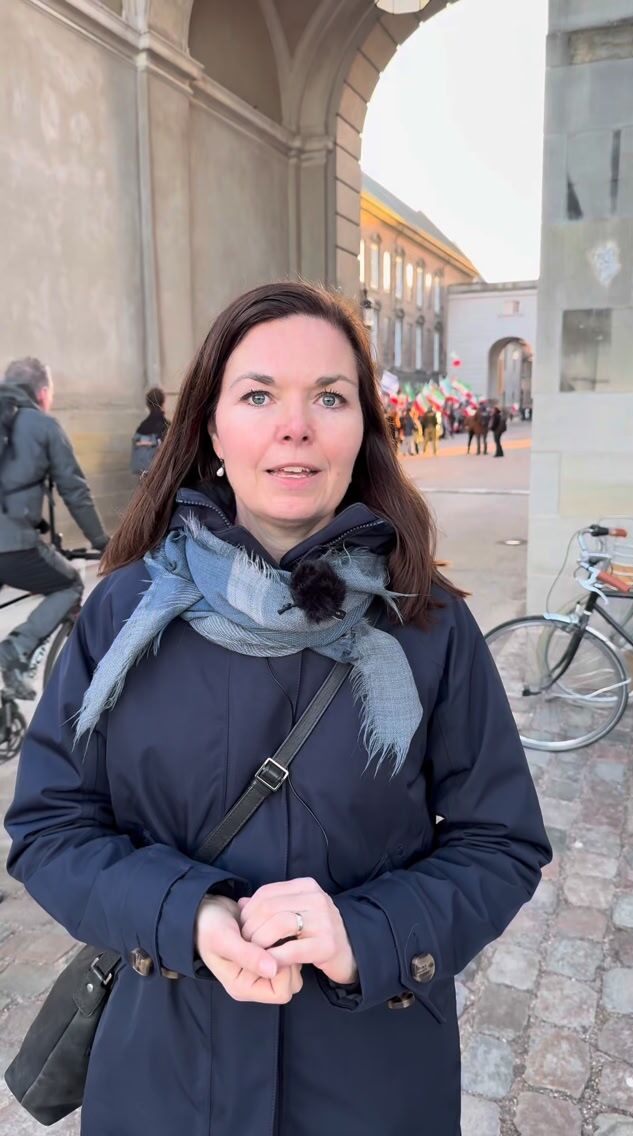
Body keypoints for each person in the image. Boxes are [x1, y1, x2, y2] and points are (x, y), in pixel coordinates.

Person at [5, 283, 550, 1136]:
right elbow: (50, 826)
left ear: (362, 430)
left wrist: (363, 935)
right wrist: (184, 914)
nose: (295, 427)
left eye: (329, 398)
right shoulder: (121, 614)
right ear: (212, 430)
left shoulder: (428, 624)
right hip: (164, 1078)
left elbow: (501, 842)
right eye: (258, 396)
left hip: (371, 1084)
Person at [0, 358, 108, 699]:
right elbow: (75, 492)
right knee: (70, 583)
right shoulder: (43, 426)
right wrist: (102, 542)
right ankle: (16, 650)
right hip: (13, 547)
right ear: (43, 393)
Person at [130, 386, 171, 477]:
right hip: (160, 476)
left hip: (143, 475)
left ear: (148, 405)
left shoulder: (142, 427)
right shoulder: (166, 426)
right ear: (162, 403)